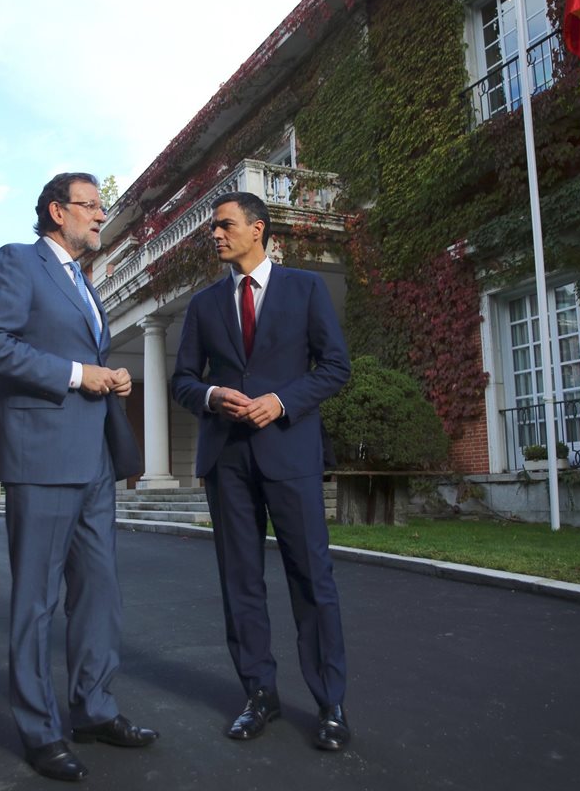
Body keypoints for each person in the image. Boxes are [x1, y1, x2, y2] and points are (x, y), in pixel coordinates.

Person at [0, 172, 157, 782]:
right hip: (40, 456)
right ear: (57, 210)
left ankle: (95, 710)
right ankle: (40, 730)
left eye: (103, 206)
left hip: (94, 460)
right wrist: (79, 374)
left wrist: (110, 376)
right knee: (37, 601)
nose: (102, 216)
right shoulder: (18, 262)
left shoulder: (85, 285)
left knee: (99, 592)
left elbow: (86, 355)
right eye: (92, 206)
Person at [171, 191, 352, 751]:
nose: (216, 236)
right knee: (240, 582)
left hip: (289, 453)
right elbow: (181, 380)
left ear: (258, 229)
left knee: (311, 579)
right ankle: (259, 695)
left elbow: (336, 367)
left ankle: (330, 705)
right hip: (227, 460)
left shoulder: (305, 289)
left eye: (224, 225)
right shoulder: (203, 305)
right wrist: (209, 394)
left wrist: (282, 401)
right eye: (213, 229)